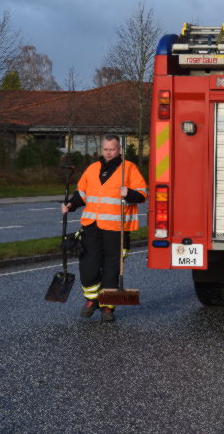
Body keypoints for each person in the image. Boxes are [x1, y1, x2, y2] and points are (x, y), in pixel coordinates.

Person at [62, 135, 147, 322]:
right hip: (92, 226)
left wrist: (129, 193)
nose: (108, 153)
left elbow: (142, 194)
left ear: (120, 150)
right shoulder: (92, 169)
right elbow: (82, 194)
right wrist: (70, 205)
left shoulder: (129, 168)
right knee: (88, 267)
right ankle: (92, 300)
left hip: (117, 229)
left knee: (111, 269)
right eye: (106, 149)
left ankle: (107, 307)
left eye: (112, 149)